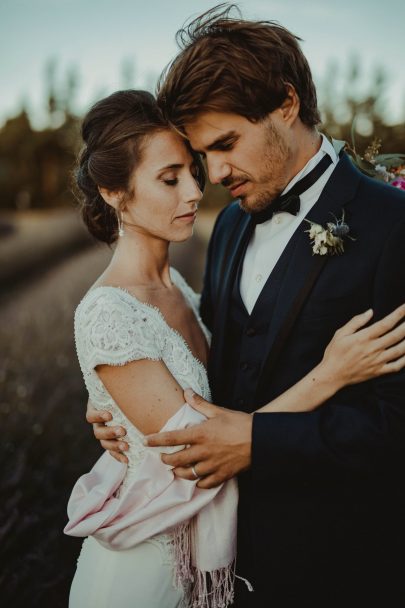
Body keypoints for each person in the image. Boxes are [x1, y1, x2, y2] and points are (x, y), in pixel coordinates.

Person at [88, 6, 405, 608]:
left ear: (286, 104)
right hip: (223, 561)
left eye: (226, 144)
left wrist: (260, 442)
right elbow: (216, 364)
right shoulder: (230, 226)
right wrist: (120, 401)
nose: (214, 174)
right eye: (202, 154)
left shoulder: (393, 227)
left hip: (344, 564)